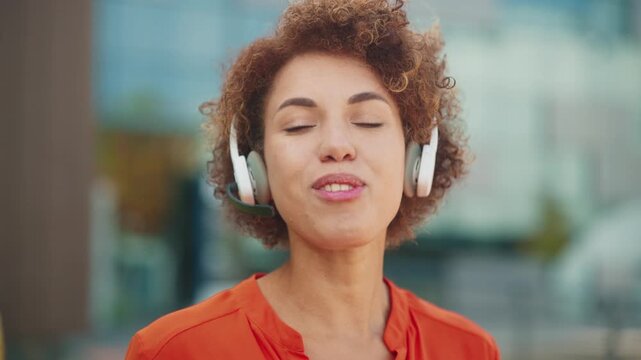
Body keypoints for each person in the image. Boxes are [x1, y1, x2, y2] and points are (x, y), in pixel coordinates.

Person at [126, 0, 500, 359]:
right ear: (255, 171)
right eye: (299, 125)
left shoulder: (470, 350)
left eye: (368, 120)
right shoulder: (173, 351)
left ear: (416, 159)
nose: (337, 146)